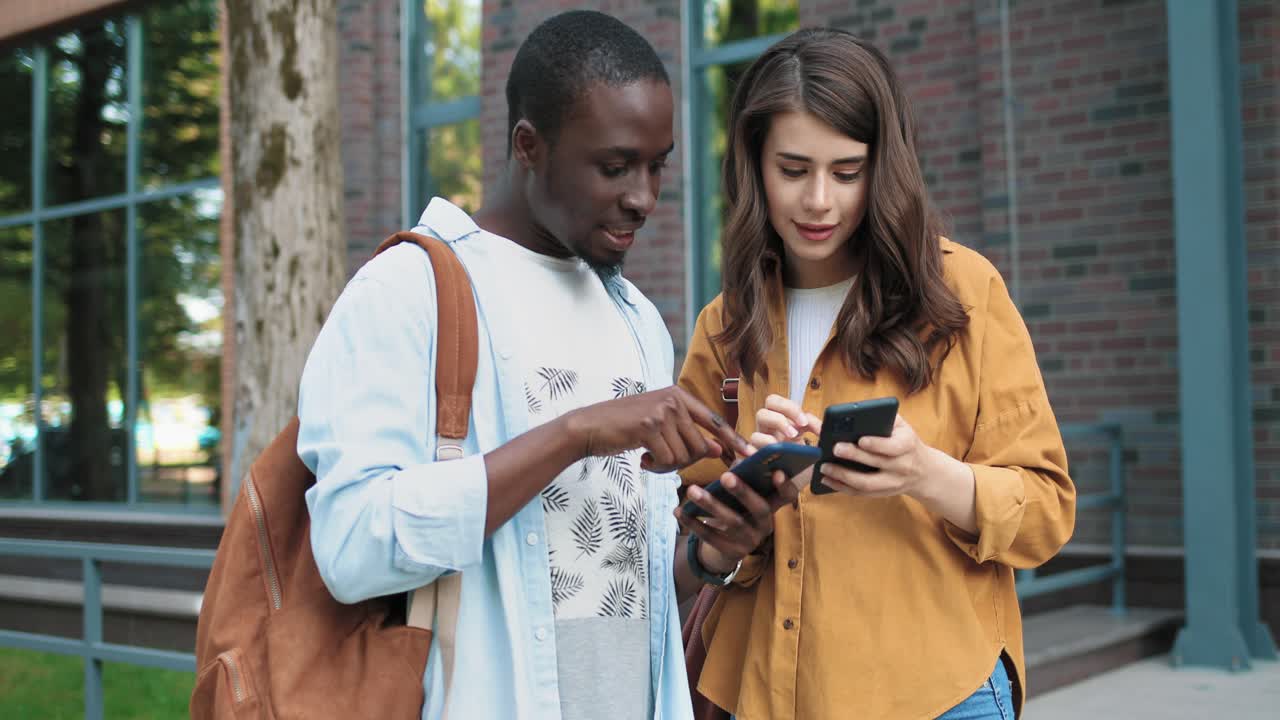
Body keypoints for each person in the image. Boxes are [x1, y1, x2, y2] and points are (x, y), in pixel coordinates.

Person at [297, 10, 796, 720]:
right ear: (528, 145)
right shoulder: (409, 292)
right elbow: (351, 547)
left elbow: (627, 587)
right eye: (615, 167)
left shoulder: (637, 319)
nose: (643, 197)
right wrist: (575, 434)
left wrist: (712, 554)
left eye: (657, 165)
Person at [676, 28, 1076, 720]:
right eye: (793, 170)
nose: (819, 201)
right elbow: (692, 544)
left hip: (940, 693)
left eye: (847, 172)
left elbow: (1046, 514)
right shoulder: (725, 324)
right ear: (754, 165)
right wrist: (747, 501)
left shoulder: (963, 292)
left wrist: (924, 473)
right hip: (765, 692)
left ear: (882, 168)